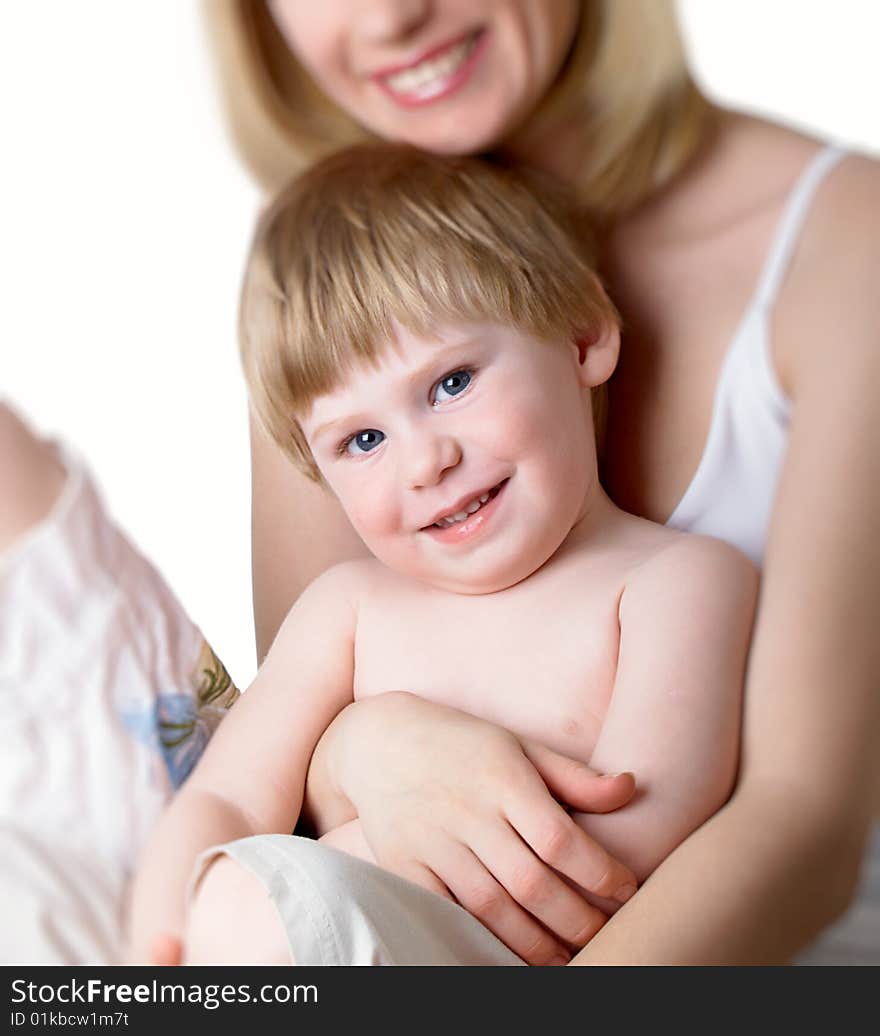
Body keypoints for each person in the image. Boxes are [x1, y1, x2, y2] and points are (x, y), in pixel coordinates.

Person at [202, 0, 880, 965]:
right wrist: (368, 744)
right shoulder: (330, 281)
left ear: (585, 339)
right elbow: (303, 747)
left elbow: (802, 836)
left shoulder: (847, 242)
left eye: (453, 384)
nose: (393, 18)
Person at [128, 144, 758, 965]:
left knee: (261, 902)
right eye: (362, 439)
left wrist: (334, 866)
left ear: (582, 337)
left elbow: (638, 841)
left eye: (451, 383)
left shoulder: (676, 582)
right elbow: (227, 798)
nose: (425, 464)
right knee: (223, 896)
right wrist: (162, 938)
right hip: (319, 947)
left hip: (547, 955)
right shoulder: (346, 609)